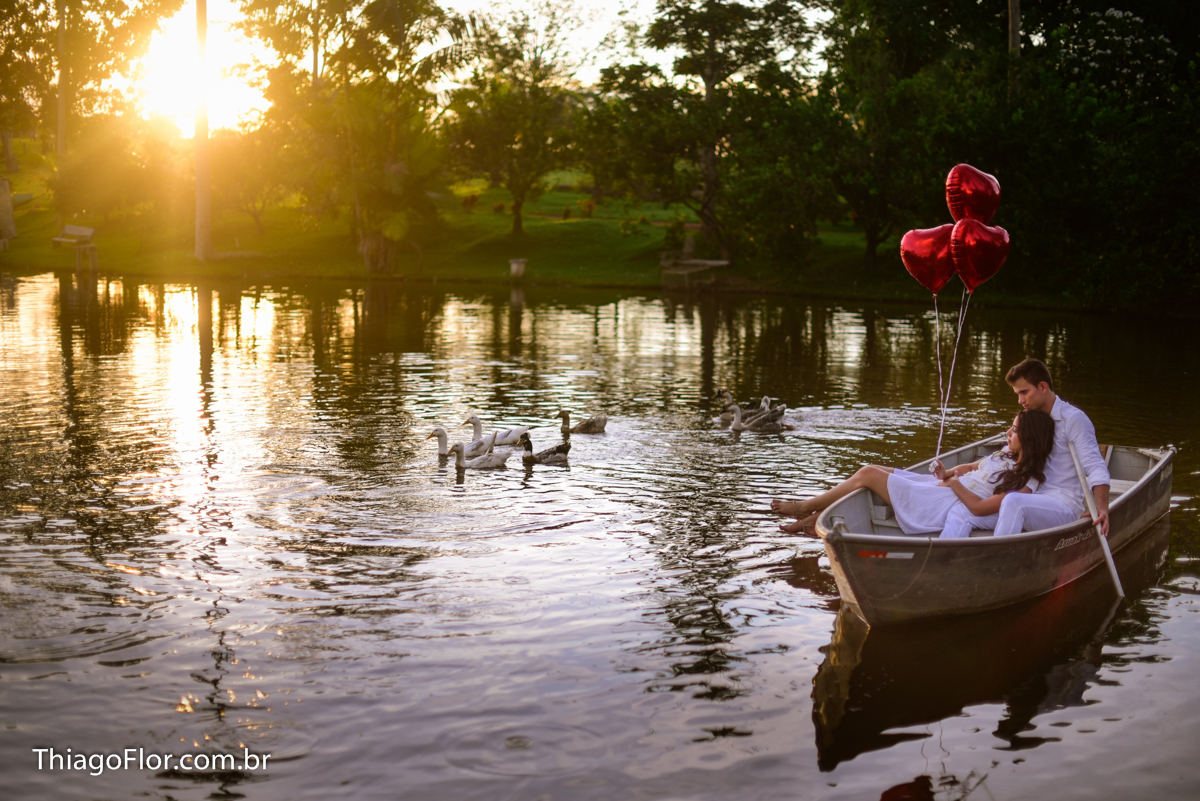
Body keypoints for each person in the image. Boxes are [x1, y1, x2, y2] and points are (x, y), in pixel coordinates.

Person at [770, 409, 1054, 536]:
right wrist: (947, 472)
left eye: (1014, 430)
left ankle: (804, 508)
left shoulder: (1027, 483)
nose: (1008, 433)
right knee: (875, 470)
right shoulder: (1003, 455)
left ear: (1030, 438)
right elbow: (969, 467)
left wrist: (953, 483)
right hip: (942, 488)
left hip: (944, 503)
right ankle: (812, 520)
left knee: (868, 474)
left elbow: (979, 509)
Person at [993, 358, 1111, 537]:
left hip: (1063, 505)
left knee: (1012, 502)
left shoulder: (1073, 419)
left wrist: (1102, 508)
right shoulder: (1031, 418)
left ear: (1042, 387)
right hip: (1032, 497)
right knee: (971, 511)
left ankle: (1000, 554)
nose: (1020, 400)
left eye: (1024, 392)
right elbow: (1008, 452)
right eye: (1017, 394)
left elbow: (1095, 466)